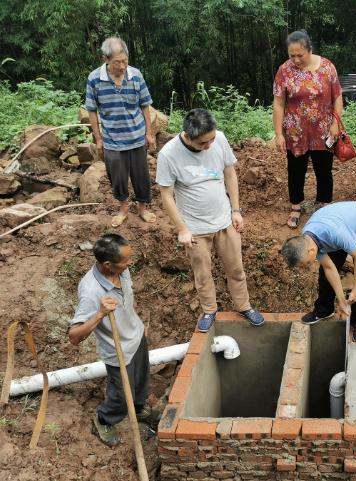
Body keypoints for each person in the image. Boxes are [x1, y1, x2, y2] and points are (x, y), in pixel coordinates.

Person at [156, 108, 264, 332]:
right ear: (188, 136)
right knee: (203, 274)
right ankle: (209, 310)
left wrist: (236, 210)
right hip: (195, 229)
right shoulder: (168, 154)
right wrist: (182, 228)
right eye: (203, 143)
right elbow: (166, 195)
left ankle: (244, 306)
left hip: (224, 221)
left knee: (236, 269)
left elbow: (229, 173)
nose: (209, 146)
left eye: (212, 139)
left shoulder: (220, 139)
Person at [68, 234, 153, 446]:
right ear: (107, 264)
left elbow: (128, 300)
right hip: (117, 349)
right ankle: (104, 419)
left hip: (136, 337)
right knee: (121, 397)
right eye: (125, 260)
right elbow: (74, 337)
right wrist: (99, 314)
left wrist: (137, 324)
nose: (129, 263)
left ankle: (140, 408)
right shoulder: (91, 291)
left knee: (141, 380)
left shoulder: (121, 271)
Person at [273, 30, 344, 229]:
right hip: (295, 132)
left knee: (324, 170)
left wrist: (335, 123)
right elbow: (278, 103)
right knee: (296, 170)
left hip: (323, 131)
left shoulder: (327, 67)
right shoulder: (284, 70)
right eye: (291, 55)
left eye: (300, 55)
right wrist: (279, 133)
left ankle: (323, 206)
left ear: (309, 50)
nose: (295, 59)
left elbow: (337, 97)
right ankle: (296, 206)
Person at [281, 201, 356, 342]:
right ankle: (325, 309)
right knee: (325, 271)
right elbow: (329, 268)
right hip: (341, 226)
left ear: (311, 251)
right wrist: (341, 301)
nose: (307, 267)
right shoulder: (307, 237)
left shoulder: (336, 234)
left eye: (306, 264)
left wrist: (355, 289)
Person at [85, 36, 157, 228]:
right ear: (106, 59)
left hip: (136, 135)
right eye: (118, 62)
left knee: (142, 175)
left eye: (125, 61)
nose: (123, 66)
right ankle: (123, 208)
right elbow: (92, 110)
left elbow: (145, 105)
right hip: (112, 139)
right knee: (117, 176)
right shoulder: (94, 79)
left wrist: (149, 133)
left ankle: (143, 208)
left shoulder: (135, 75)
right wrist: (98, 138)